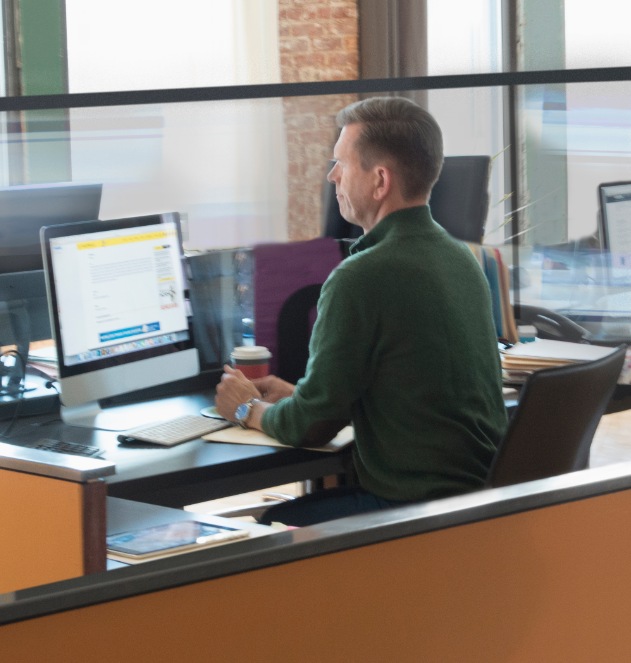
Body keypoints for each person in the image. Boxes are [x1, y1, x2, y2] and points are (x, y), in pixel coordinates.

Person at [215, 97, 507, 523]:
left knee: (265, 531)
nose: (332, 176)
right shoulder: (461, 258)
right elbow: (407, 395)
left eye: (341, 164)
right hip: (476, 505)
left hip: (412, 514)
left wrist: (246, 408)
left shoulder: (360, 276)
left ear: (380, 180)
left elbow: (311, 428)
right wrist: (300, 396)